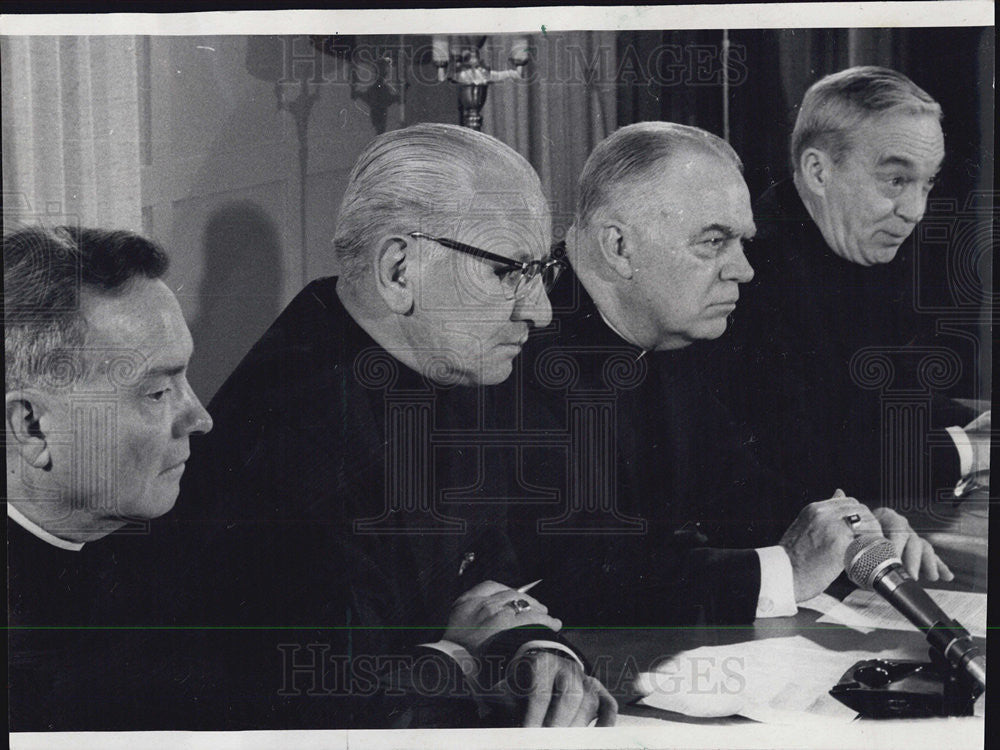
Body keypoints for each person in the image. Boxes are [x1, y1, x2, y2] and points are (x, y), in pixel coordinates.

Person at [174, 123, 616, 729]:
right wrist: (460, 655)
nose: (538, 310)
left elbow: (492, 566)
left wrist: (534, 647)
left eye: (541, 271)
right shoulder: (291, 432)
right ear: (400, 270)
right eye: (507, 271)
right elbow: (319, 704)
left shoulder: (443, 361)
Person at [510, 121, 949, 629]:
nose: (744, 269)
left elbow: (734, 485)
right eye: (714, 242)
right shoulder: (522, 346)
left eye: (742, 242)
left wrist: (848, 530)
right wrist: (787, 569)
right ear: (619, 247)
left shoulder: (669, 327)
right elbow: (578, 580)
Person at [713, 66, 989, 511]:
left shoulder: (861, 240)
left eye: (928, 182)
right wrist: (973, 449)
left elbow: (885, 399)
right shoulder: (750, 272)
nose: (915, 210)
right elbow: (802, 459)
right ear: (819, 172)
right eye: (896, 180)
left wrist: (975, 425)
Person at [5, 225, 215, 729]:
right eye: (157, 393)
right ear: (33, 427)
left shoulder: (173, 516)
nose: (201, 418)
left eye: (183, 379)